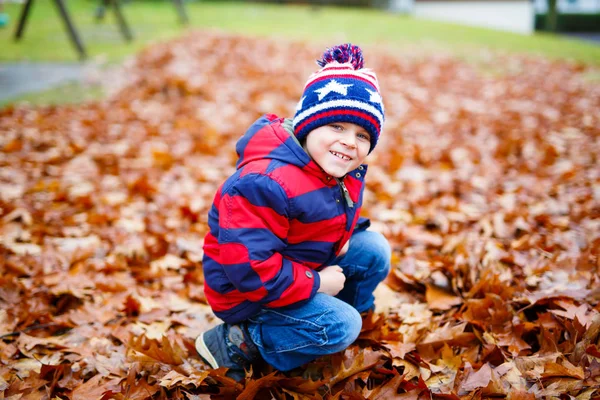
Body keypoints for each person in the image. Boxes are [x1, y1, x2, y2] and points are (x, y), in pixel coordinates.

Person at [195, 43, 391, 380]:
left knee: (373, 249)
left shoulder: (326, 167)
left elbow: (323, 213)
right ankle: (238, 341)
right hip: (249, 294)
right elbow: (251, 269)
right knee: (341, 326)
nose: (349, 142)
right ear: (308, 125)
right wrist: (316, 283)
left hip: (294, 264)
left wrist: (344, 238)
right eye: (337, 127)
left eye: (362, 135)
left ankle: (329, 320)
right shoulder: (263, 183)